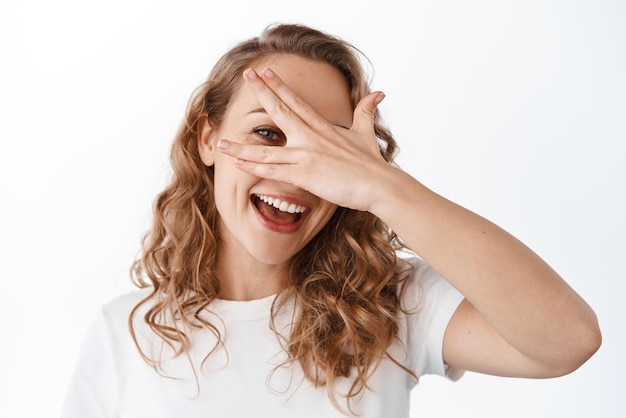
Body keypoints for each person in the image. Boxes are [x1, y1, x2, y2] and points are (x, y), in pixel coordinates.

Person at [61, 23, 601, 417]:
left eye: (328, 148)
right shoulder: (125, 333)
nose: (298, 173)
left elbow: (568, 341)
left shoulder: (389, 305)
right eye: (269, 134)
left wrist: (381, 186)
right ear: (208, 138)